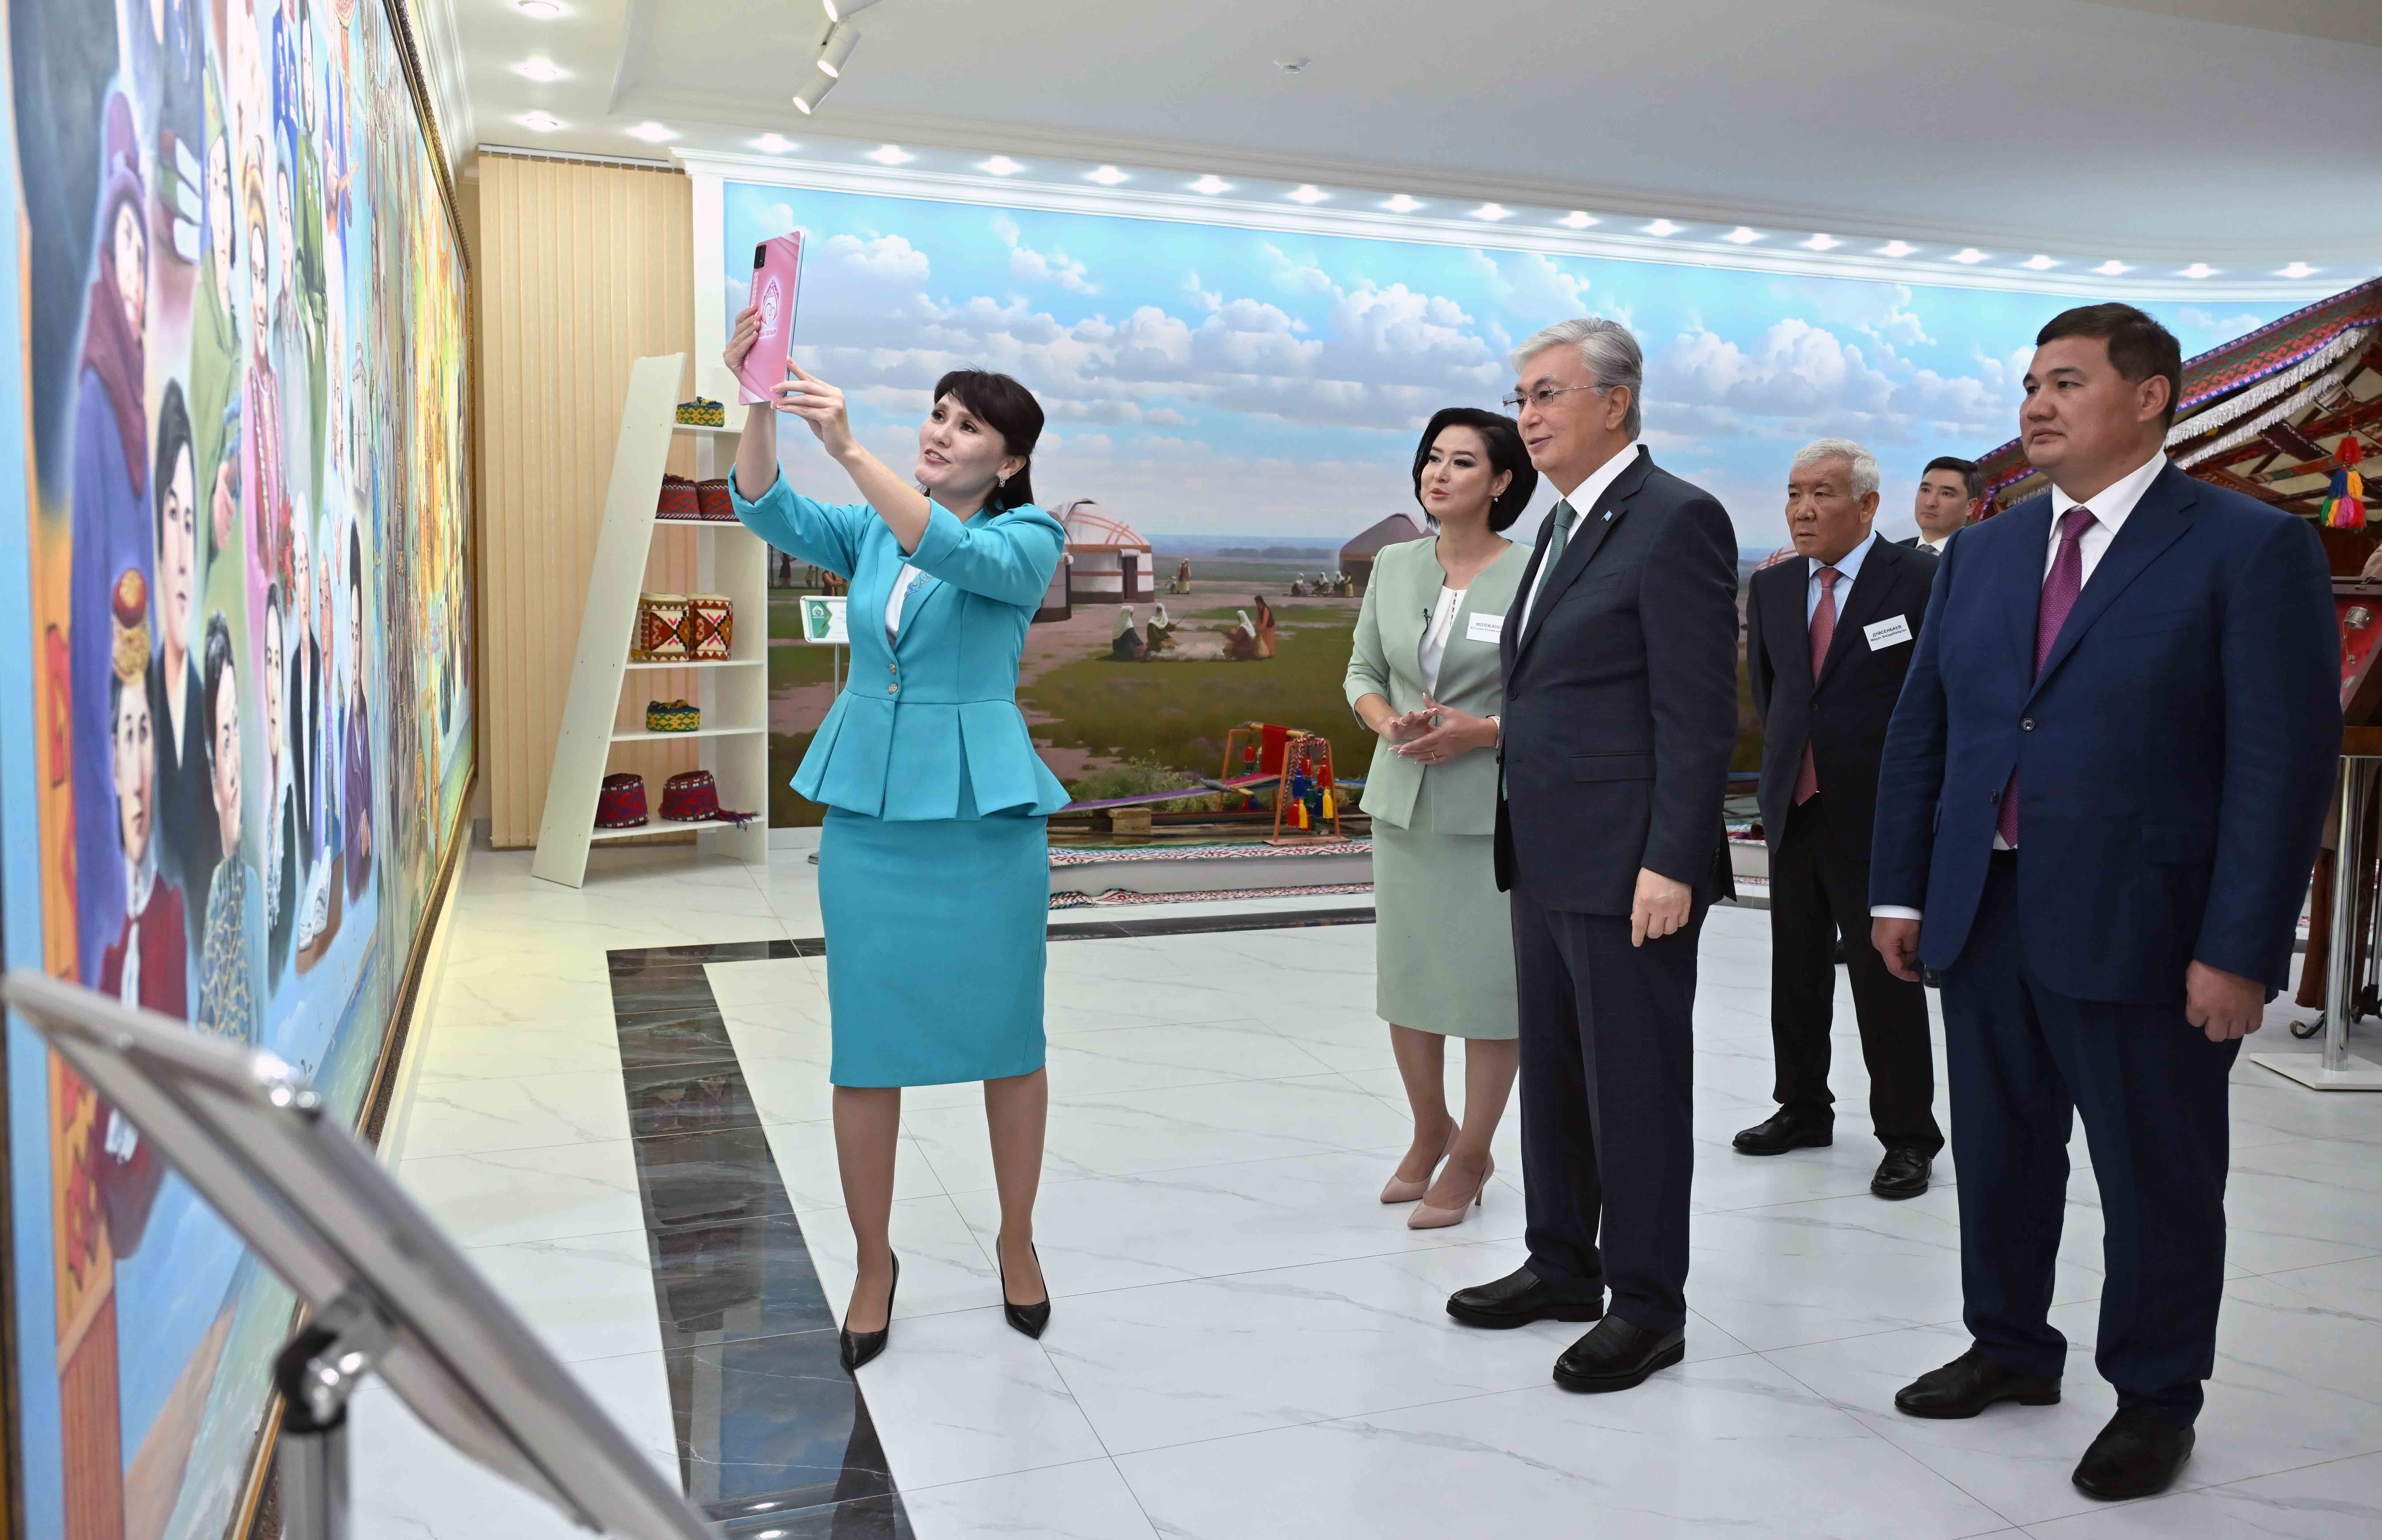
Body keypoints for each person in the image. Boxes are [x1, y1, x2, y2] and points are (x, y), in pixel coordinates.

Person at [1870, 304, 2337, 1500]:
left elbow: (2281, 766)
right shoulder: (1983, 552)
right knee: (2000, 1151)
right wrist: (1902, 888)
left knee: (2157, 1177)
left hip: (2151, 928)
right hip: (1985, 908)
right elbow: (1929, 730)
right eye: (2030, 382)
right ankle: (2009, 1345)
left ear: (2149, 396)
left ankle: (2156, 1396)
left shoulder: (2249, 546)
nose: (2035, 404)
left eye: (2066, 382)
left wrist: (2242, 947)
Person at [726, 304, 1067, 1373]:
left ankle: (1016, 1238)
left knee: (1009, 1040)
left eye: (966, 425)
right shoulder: (874, 525)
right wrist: (759, 403)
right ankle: (874, 1262)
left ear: (1009, 462)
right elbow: (765, 506)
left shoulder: (1029, 538)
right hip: (871, 819)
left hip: (984, 823)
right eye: (936, 414)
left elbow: (949, 548)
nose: (939, 432)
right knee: (866, 1046)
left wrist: (850, 447)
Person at [1446, 318, 1739, 1394]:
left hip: (1631, 869)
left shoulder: (1675, 519)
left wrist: (1673, 859)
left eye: (1546, 394)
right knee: (1561, 1078)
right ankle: (1561, 1262)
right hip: (1547, 853)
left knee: (1636, 1090)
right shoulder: (1563, 527)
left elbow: (1697, 714)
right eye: (1520, 396)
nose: (1526, 416)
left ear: (1615, 403)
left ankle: (1648, 1305)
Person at [1345, 407, 1537, 1228]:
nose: (1438, 472)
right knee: (1412, 981)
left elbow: (1555, 698)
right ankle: (1431, 1130)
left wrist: (1483, 731)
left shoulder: (1535, 571)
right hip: (1402, 805)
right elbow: (1361, 671)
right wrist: (1385, 721)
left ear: (1501, 482)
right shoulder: (1393, 564)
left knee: (1488, 993)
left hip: (1488, 812)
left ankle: (1472, 1154)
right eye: (1432, 457)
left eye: (1462, 461)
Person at [1735, 440, 1943, 1197]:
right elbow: (1776, 694)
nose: (1802, 509)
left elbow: (1937, 698)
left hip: (1880, 814)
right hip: (1795, 808)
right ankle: (1801, 1107)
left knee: (1886, 978)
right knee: (1793, 971)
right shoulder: (1773, 586)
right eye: (1794, 493)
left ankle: (1908, 1134)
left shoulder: (1919, 579)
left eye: (1821, 493)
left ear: (1866, 505)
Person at [195, 613, 262, 1045]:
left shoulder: (249, 887)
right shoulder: (216, 900)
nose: (234, 761)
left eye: (237, 727)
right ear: (211, 765)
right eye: (224, 739)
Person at [1901, 456, 1982, 553]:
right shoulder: (1892, 553)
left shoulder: (1982, 556)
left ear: (1970, 506)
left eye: (1946, 494)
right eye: (1925, 490)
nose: (1930, 503)